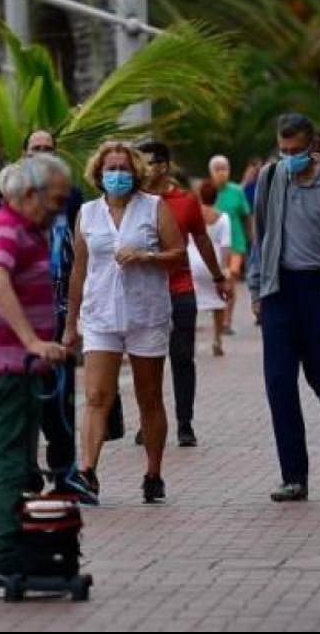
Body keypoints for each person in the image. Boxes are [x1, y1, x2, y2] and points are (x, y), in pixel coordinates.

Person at [0, 155, 72, 601]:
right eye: (55, 200)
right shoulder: (7, 227)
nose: (58, 210)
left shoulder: (22, 229)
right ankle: (5, 564)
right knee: (11, 462)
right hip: (8, 363)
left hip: (11, 363)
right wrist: (30, 340)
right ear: (29, 194)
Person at [63, 142, 188, 505]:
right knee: (97, 396)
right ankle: (87, 472)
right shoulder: (87, 213)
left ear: (135, 172)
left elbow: (178, 255)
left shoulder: (154, 208)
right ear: (98, 174)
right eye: (110, 168)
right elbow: (80, 269)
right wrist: (71, 324)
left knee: (149, 397)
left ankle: (153, 472)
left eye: (122, 168)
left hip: (145, 314)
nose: (116, 174)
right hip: (100, 313)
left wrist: (147, 256)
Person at [249, 113, 320, 502]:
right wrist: (256, 290)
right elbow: (260, 236)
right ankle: (294, 476)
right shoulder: (270, 177)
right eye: (283, 150)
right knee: (279, 385)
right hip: (280, 288)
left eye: (297, 151)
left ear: (313, 146)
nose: (289, 158)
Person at [138, 141, 231, 447]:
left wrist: (219, 276)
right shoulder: (131, 202)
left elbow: (202, 241)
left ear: (163, 166)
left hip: (180, 290)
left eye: (148, 162)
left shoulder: (185, 202)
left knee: (182, 358)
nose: (141, 169)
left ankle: (184, 423)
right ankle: (148, 420)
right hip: (144, 294)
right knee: (147, 361)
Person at [210, 155, 254, 335]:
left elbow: (247, 215)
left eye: (224, 168)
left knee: (230, 280)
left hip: (236, 244)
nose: (221, 172)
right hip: (215, 246)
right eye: (217, 168)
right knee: (217, 283)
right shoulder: (208, 192)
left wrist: (251, 236)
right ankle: (218, 320)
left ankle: (227, 321)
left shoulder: (237, 191)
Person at [194, 180, 234, 356]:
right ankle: (217, 339)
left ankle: (191, 341)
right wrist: (224, 269)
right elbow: (226, 245)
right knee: (218, 303)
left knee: (191, 304)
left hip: (193, 264)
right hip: (214, 264)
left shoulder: (193, 215)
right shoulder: (223, 218)